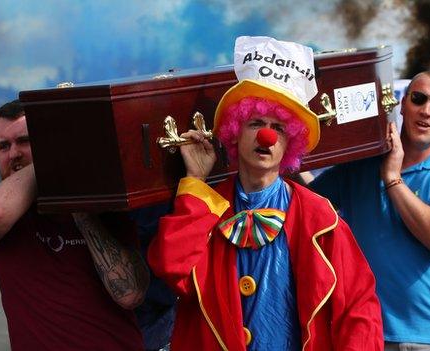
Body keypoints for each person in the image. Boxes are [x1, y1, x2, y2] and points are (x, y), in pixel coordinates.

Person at [148, 36, 383, 350]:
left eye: (280, 128)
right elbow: (170, 266)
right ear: (234, 131)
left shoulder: (319, 219)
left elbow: (359, 307)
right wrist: (194, 182)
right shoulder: (209, 207)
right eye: (255, 122)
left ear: (290, 143)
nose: (267, 136)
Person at [310, 71, 430, 350]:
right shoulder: (360, 165)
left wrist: (392, 178)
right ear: (402, 104)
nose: (426, 111)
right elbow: (305, 203)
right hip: (366, 334)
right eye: (419, 99)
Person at [0, 99, 149, 350]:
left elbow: (131, 293)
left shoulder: (102, 206)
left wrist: (77, 206)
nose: (13, 153)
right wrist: (52, 159)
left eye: (24, 141)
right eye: (3, 146)